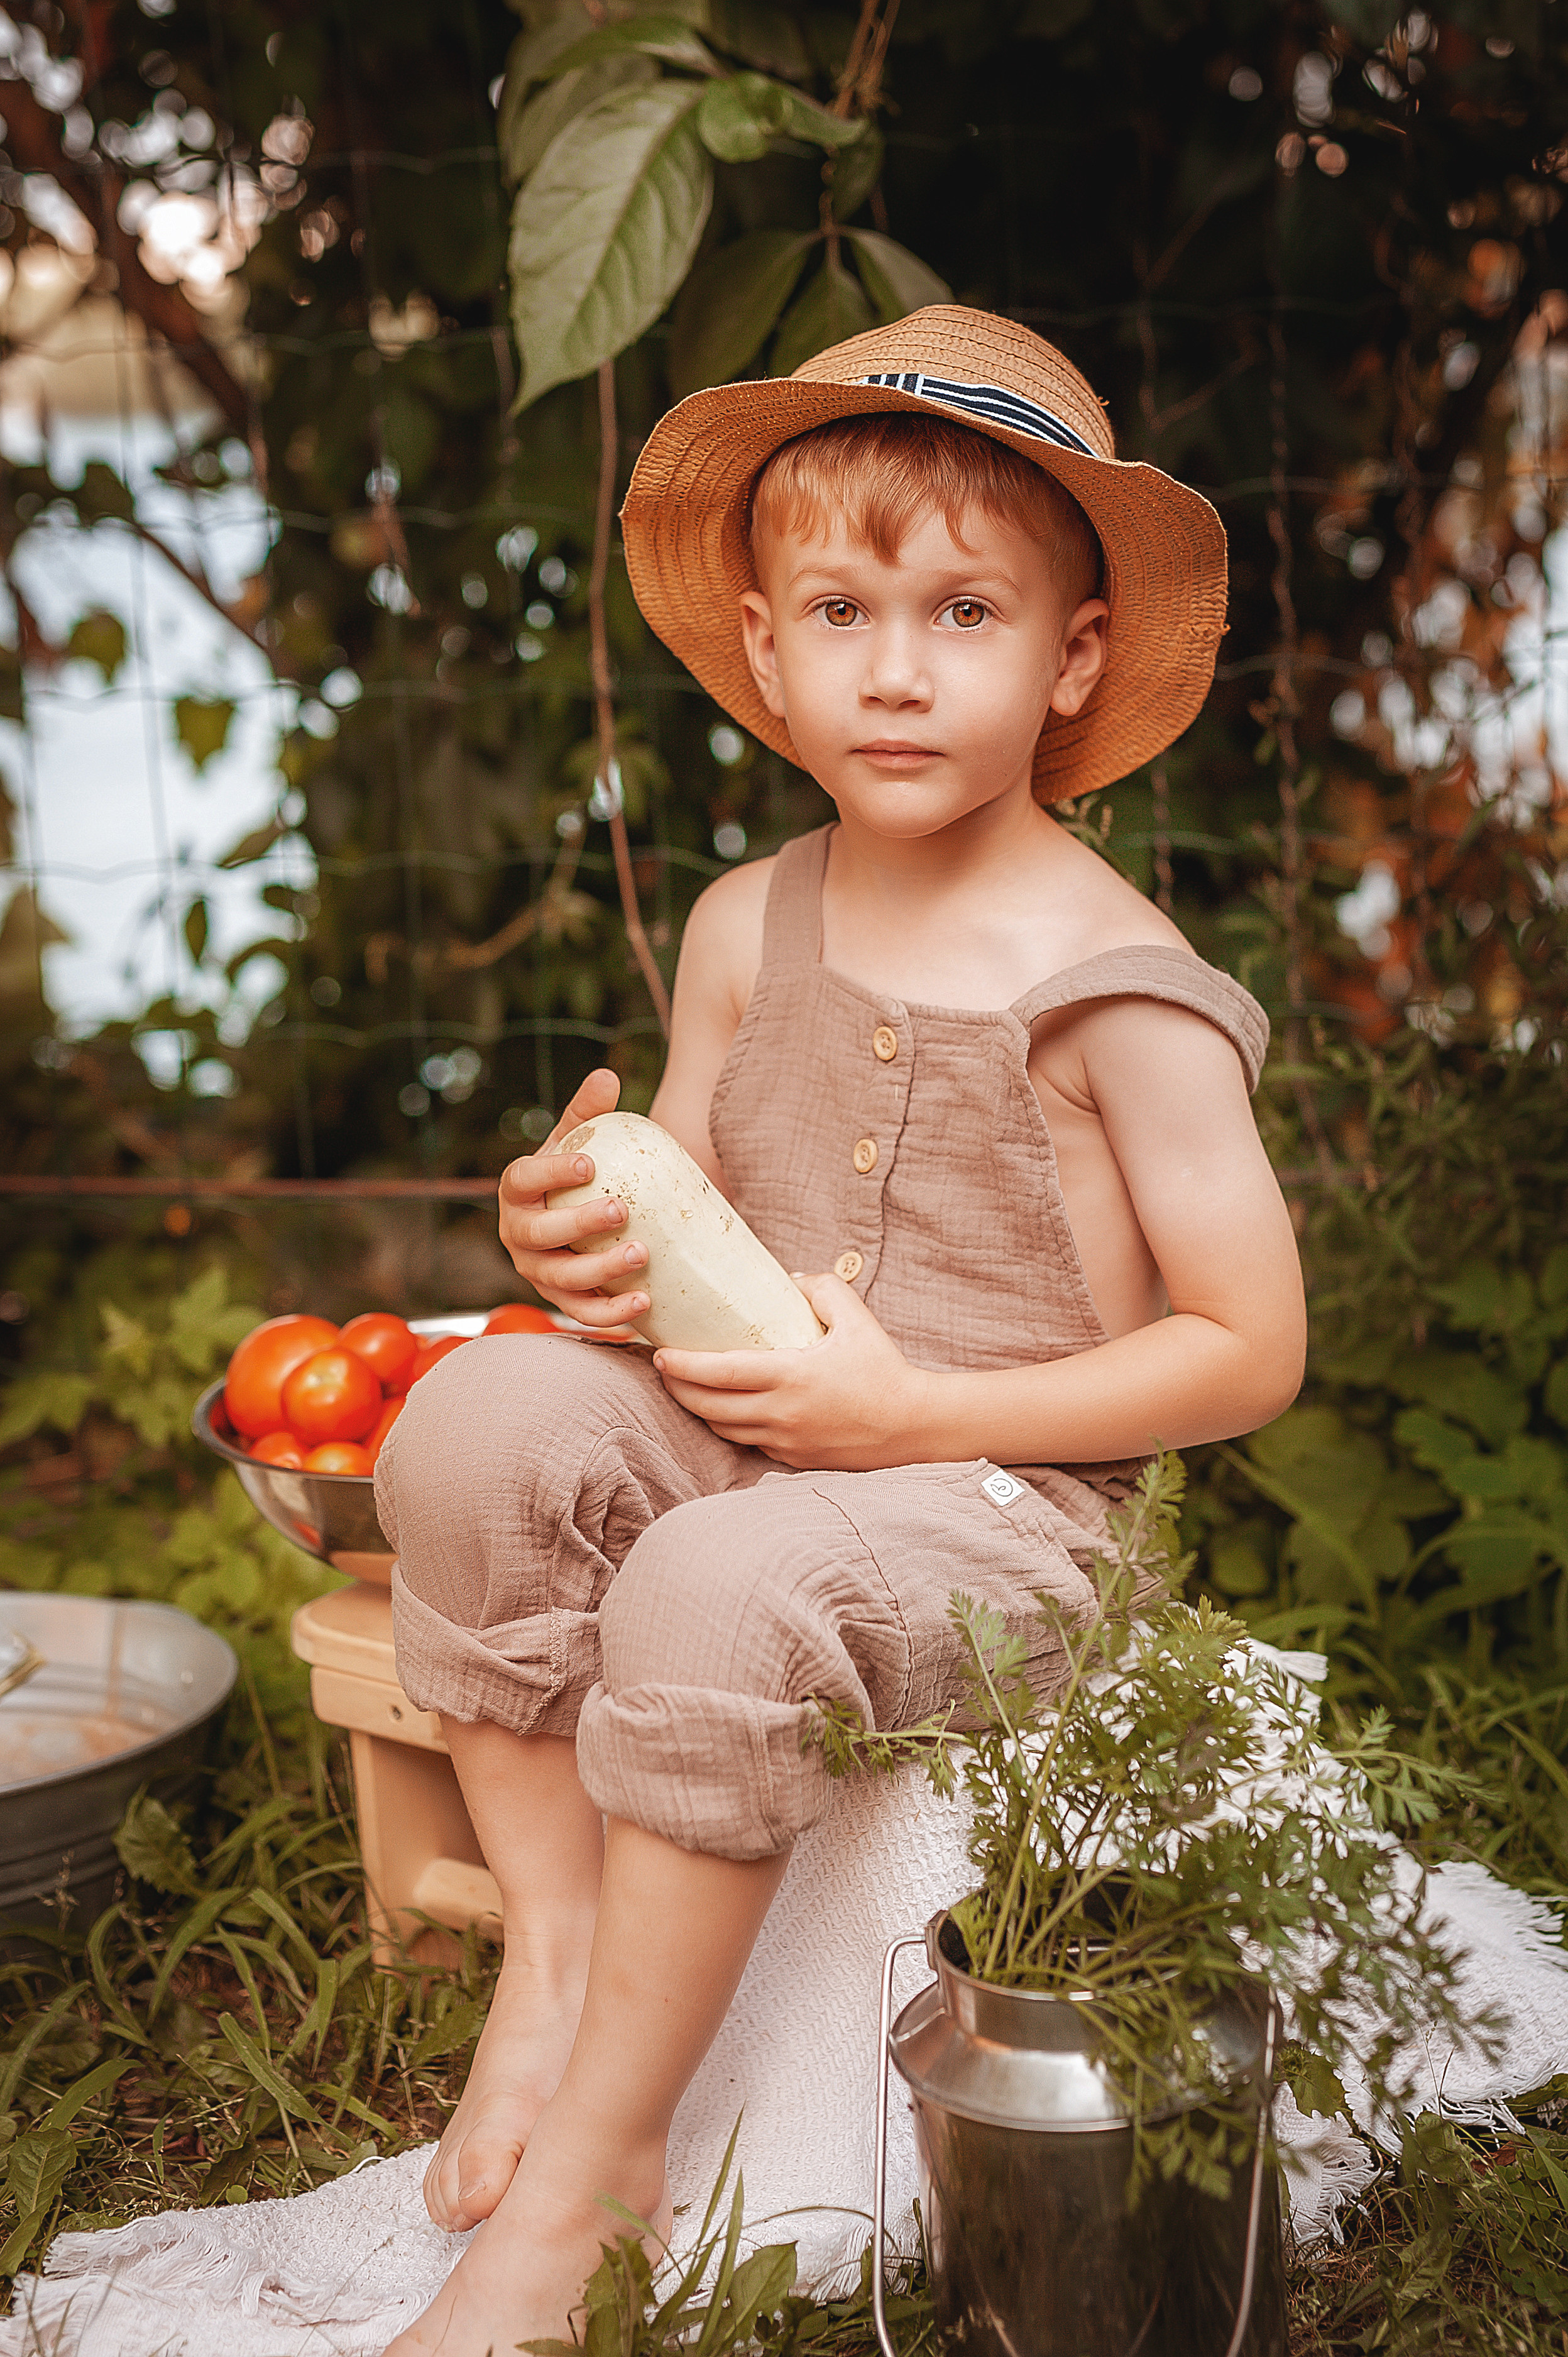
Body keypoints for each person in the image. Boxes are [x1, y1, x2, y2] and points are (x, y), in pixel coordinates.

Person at [376, 305, 1306, 2356]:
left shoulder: (1121, 982)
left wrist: (912, 1411)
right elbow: (682, 1226)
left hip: (1008, 1508)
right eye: (845, 607)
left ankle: (602, 2186)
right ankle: (553, 1950)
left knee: (715, 1577)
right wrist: (576, 1236)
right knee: (472, 1428)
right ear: (768, 645)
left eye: (966, 609)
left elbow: (1250, 1348)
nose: (898, 665)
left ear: (1070, 660)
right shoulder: (740, 922)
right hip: (761, 1435)